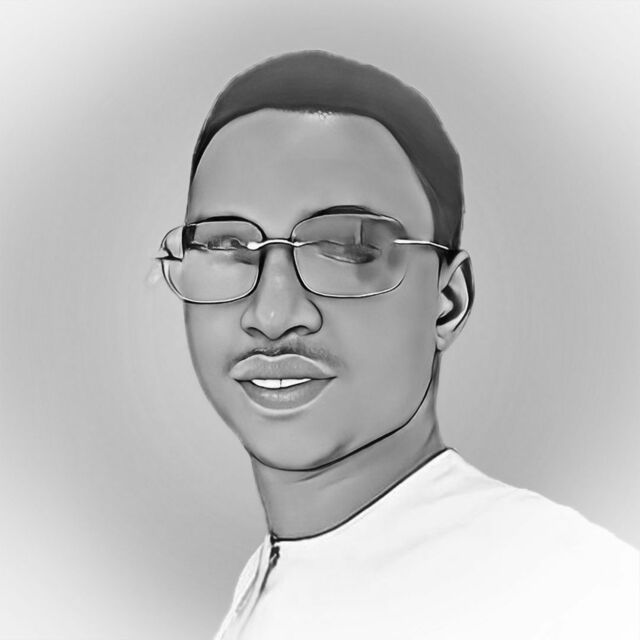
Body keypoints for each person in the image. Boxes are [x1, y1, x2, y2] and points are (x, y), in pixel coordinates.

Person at [155, 51, 639, 639]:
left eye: (346, 247)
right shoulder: (270, 579)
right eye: (227, 246)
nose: (273, 315)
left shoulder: (568, 590)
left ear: (447, 301)